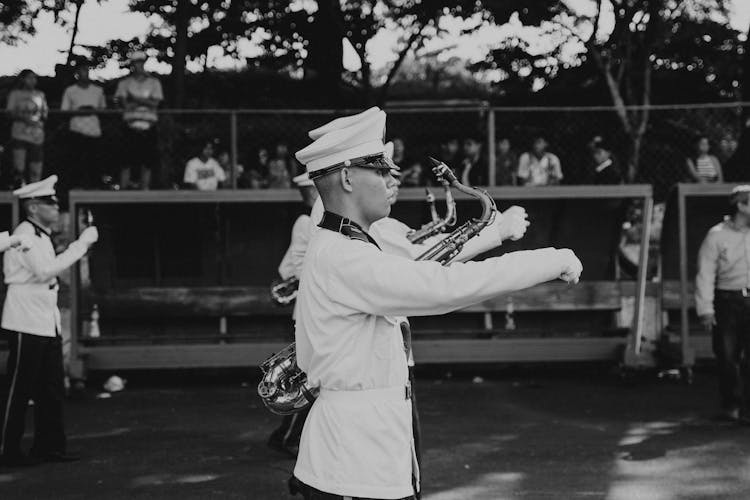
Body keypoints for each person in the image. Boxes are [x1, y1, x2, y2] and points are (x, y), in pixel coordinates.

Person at [291, 109, 582, 499]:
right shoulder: (344, 255)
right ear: (346, 177)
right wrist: (548, 259)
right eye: (379, 170)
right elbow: (443, 286)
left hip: (364, 456)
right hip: (354, 464)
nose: (390, 179)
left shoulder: (346, 244)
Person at [0, 175, 99, 467]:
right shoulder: (25, 235)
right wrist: (80, 246)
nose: (56, 207)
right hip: (25, 320)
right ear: (33, 207)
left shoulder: (39, 235)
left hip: (45, 319)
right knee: (20, 388)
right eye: (49, 203)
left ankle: (50, 445)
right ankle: (9, 449)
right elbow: (45, 272)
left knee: (51, 387)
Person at [267, 172, 320, 458]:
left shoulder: (313, 219)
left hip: (312, 309)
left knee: (309, 380)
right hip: (308, 312)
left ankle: (284, 436)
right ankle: (288, 438)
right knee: (308, 382)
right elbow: (292, 267)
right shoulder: (306, 221)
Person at [696, 185, 750, 424]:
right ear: (741, 205)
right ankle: (732, 406)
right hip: (728, 300)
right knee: (727, 355)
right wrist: (706, 309)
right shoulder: (716, 235)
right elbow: (705, 273)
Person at [114, 51, 164, 190]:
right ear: (132, 64)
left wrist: (134, 99)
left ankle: (145, 191)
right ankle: (123, 191)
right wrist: (145, 101)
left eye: (141, 62)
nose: (139, 65)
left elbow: (155, 104)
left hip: (148, 126)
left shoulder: (154, 83)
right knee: (126, 161)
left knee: (147, 162)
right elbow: (125, 105)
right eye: (136, 63)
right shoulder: (124, 83)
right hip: (130, 126)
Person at [60, 59, 107, 190]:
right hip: (76, 130)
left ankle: (95, 187)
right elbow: (65, 111)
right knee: (76, 161)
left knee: (94, 162)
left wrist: (92, 110)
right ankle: (75, 187)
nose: (85, 73)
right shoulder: (70, 91)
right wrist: (80, 111)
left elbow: (103, 109)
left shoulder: (98, 90)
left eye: (87, 70)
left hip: (94, 131)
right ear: (77, 73)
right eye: (82, 70)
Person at [5, 69, 48, 187]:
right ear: (23, 79)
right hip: (19, 133)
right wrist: (24, 119)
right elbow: (9, 113)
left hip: (36, 135)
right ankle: (19, 189)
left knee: (36, 165)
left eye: (34, 78)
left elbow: (44, 114)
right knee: (19, 167)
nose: (33, 80)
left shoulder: (40, 95)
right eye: (30, 78)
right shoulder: (15, 94)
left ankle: (35, 191)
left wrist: (38, 121)